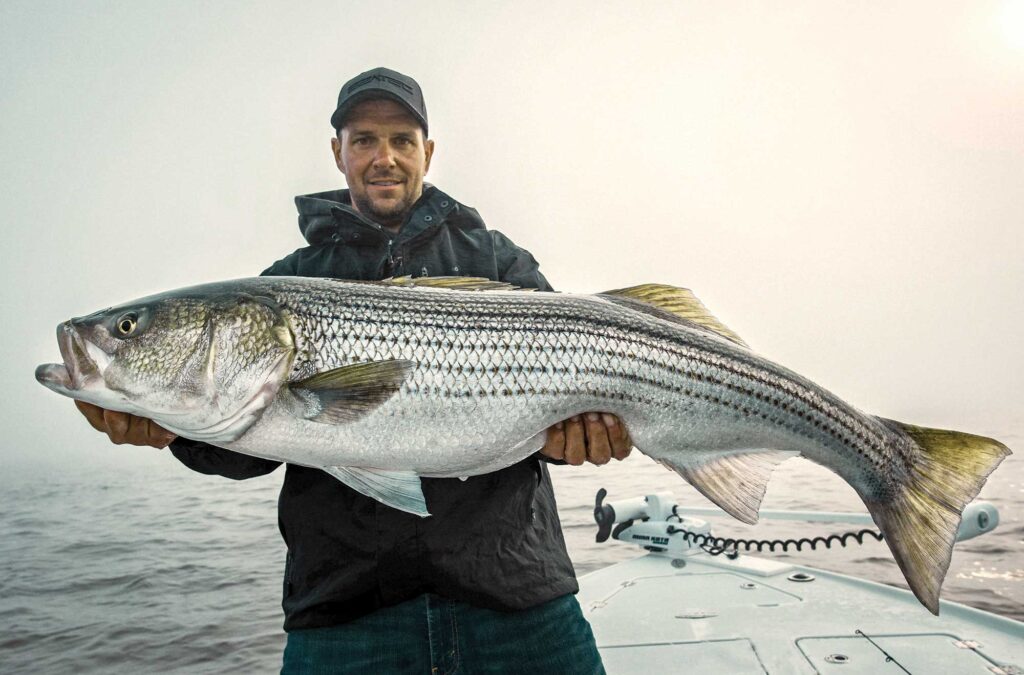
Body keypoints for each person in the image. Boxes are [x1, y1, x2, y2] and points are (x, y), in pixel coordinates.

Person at [75, 67, 631, 674]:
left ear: (428, 152)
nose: (383, 157)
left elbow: (556, 420)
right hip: (346, 614)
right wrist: (172, 429)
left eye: (401, 140)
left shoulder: (496, 260)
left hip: (515, 594)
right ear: (337, 153)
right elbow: (246, 451)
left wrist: (578, 440)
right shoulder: (287, 280)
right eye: (363, 139)